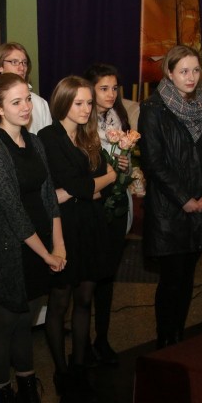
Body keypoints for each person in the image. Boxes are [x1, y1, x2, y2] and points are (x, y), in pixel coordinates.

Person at [0, 73, 65, 403]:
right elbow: (13, 212)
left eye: (27, 98)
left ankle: (29, 393)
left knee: (25, 324)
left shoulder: (34, 141)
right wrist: (46, 254)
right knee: (5, 325)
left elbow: (48, 196)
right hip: (8, 252)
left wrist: (59, 243)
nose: (26, 107)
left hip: (39, 245)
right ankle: (4, 397)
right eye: (16, 102)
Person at [138, 45, 202, 348]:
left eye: (196, 70)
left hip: (201, 206)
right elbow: (153, 163)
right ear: (169, 73)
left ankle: (179, 335)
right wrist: (184, 198)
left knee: (188, 276)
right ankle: (166, 339)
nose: (191, 77)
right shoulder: (153, 109)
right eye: (184, 71)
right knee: (172, 278)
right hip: (169, 209)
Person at [37, 76, 117, 398]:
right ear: (63, 103)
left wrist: (90, 186)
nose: (86, 109)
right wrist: (103, 179)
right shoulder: (48, 137)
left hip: (91, 225)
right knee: (59, 301)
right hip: (64, 228)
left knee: (85, 298)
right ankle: (61, 370)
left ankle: (80, 364)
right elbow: (85, 185)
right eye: (79, 103)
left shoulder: (88, 135)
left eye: (88, 103)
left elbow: (92, 188)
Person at [83, 63, 131, 366]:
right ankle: (82, 341)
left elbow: (126, 155)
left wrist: (125, 162)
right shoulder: (82, 120)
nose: (111, 94)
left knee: (108, 275)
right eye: (103, 88)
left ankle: (102, 336)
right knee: (88, 277)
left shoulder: (118, 116)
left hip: (115, 202)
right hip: (93, 203)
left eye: (114, 88)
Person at [0, 42, 52, 133]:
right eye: (14, 62)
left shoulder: (40, 103)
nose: (21, 68)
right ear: (0, 67)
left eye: (24, 63)